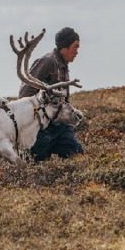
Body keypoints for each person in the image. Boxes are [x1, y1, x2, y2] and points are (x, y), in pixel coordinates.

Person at [18, 27, 84, 161]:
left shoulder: (63, 66)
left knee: (77, 154)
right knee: (35, 166)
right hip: (42, 130)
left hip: (60, 127)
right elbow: (25, 94)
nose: (77, 51)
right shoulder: (47, 62)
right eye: (75, 46)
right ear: (64, 47)